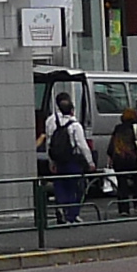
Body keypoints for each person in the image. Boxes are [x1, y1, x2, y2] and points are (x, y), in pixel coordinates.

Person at [41, 93, 94, 221]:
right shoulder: (75, 125)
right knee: (75, 187)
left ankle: (61, 207)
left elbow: (49, 142)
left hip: (57, 160)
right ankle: (72, 214)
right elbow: (82, 145)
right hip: (72, 160)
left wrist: (51, 161)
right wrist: (90, 162)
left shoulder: (50, 121)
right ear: (71, 110)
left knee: (60, 185)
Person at [104, 110, 137, 213]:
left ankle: (124, 209)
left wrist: (111, 157)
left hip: (119, 160)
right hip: (133, 159)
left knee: (122, 185)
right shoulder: (135, 128)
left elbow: (112, 145)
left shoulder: (118, 128)